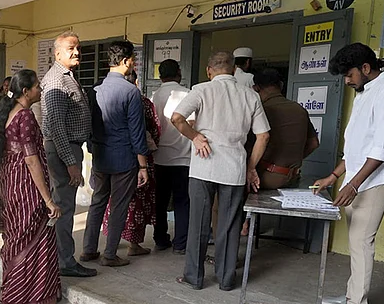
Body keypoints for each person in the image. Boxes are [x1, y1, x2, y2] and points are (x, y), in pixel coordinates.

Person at [316, 43, 384, 304]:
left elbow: (382, 148)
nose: (347, 80)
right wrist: (333, 176)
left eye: (349, 74)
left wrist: (352, 184)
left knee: (362, 241)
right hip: (358, 178)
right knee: (355, 240)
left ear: (366, 68)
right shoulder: (365, 92)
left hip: (376, 180)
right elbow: (355, 147)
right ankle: (352, 296)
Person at [171, 51, 270, 291]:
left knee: (199, 224)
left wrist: (195, 137)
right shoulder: (250, 96)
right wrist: (250, 167)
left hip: (203, 167)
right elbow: (263, 136)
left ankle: (194, 277)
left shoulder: (201, 90)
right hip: (234, 169)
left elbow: (177, 118)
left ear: (209, 70)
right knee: (229, 225)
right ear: (234, 70)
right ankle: (226, 280)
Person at [0, 69, 62, 304]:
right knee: (34, 239)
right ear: (26, 91)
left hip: (11, 186)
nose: (41, 90)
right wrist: (48, 199)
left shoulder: (8, 114)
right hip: (26, 187)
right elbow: (31, 160)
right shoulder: (26, 116)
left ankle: (9, 292)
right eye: (38, 86)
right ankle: (27, 299)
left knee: (16, 238)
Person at [82, 41, 148, 267]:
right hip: (124, 158)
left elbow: (89, 125)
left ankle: (89, 250)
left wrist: (93, 149)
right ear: (126, 61)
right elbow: (137, 132)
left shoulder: (95, 90)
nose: (133, 64)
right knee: (119, 205)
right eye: (132, 61)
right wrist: (143, 165)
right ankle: (110, 254)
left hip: (101, 156)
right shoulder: (131, 92)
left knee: (98, 202)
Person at [41, 31, 96, 277]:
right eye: (70, 48)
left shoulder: (67, 76)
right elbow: (55, 125)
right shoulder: (56, 80)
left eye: (78, 48)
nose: (76, 52)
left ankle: (59, 257)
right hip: (63, 149)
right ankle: (64, 261)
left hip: (69, 148)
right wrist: (71, 162)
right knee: (64, 208)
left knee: (63, 206)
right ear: (57, 53)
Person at [99, 70, 159, 257]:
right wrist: (144, 163)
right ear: (136, 81)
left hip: (108, 154)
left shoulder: (102, 93)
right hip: (137, 155)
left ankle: (112, 241)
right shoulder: (141, 101)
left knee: (112, 200)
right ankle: (133, 244)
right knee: (137, 201)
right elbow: (152, 129)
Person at [252, 68, 319, 189]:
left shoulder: (261, 110)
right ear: (281, 85)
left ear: (256, 88)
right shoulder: (300, 110)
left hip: (264, 178)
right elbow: (314, 143)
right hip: (292, 178)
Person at [152, 59, 192, 254]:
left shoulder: (154, 96)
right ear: (179, 73)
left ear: (160, 76)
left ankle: (160, 238)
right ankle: (181, 243)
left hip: (160, 158)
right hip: (184, 158)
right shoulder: (188, 94)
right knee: (182, 201)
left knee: (160, 201)